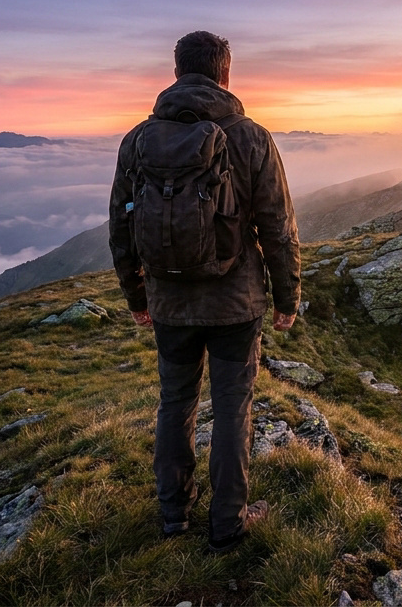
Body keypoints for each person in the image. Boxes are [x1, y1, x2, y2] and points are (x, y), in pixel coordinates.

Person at [108, 30, 300, 551]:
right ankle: (227, 524)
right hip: (236, 302)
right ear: (226, 73)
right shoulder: (252, 137)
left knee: (176, 401)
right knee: (232, 406)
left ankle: (173, 514)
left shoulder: (138, 141)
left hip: (168, 301)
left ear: (176, 73)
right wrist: (288, 299)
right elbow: (277, 226)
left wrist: (137, 298)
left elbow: (121, 226)